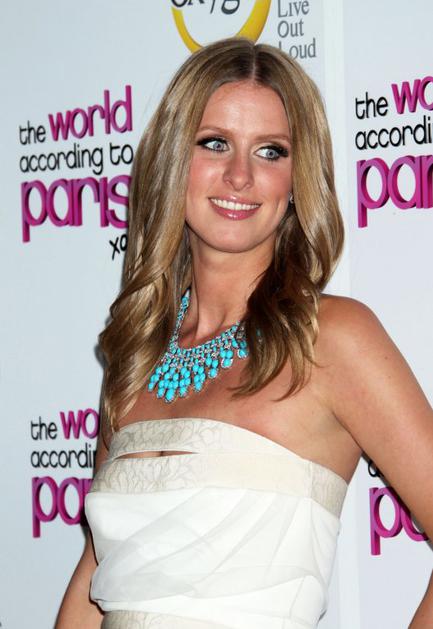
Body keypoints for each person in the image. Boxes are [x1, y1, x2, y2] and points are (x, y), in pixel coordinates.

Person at [56, 37, 433, 629]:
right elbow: (93, 578)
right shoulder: (137, 353)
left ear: (297, 177)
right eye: (214, 143)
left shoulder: (332, 338)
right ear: (173, 160)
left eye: (270, 151)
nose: (239, 176)